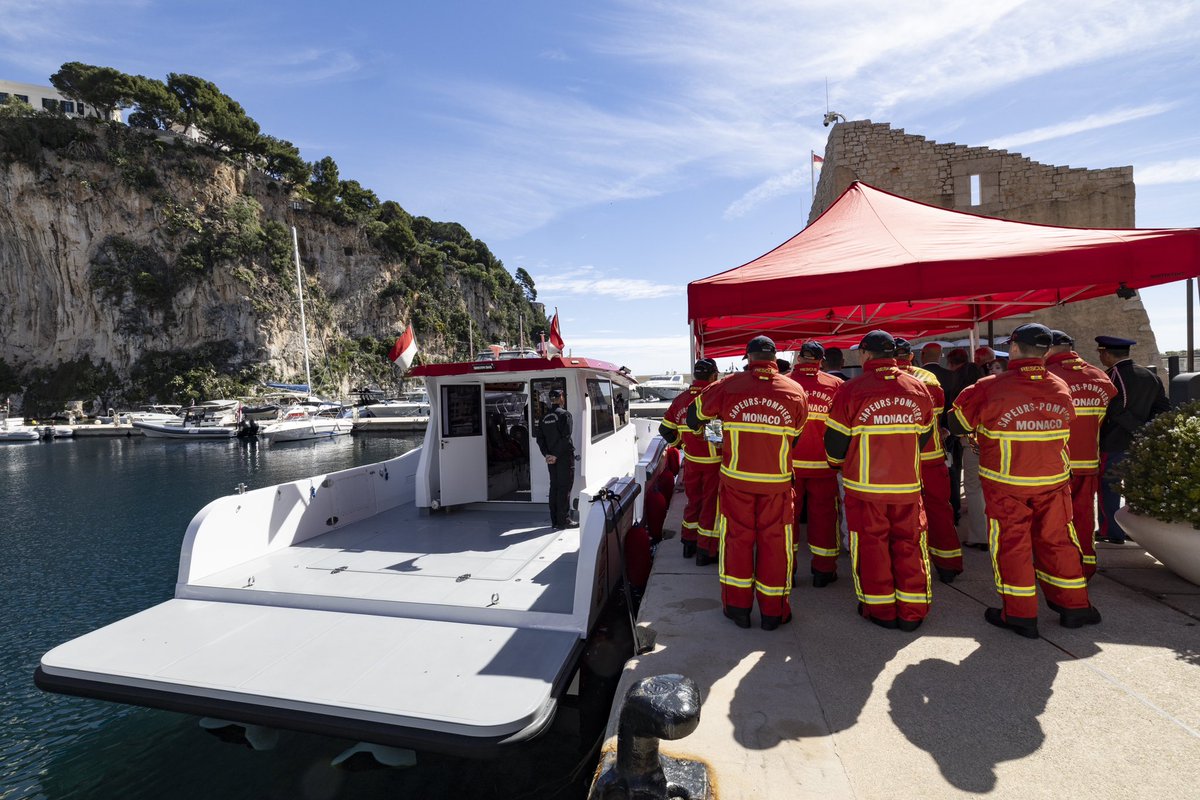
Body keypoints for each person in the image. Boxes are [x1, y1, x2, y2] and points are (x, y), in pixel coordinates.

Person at [950, 323, 1099, 639]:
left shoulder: (990, 386)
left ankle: (1020, 614)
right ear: (1046, 352)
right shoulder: (1060, 386)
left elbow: (956, 422)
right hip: (1054, 479)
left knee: (1012, 545)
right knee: (1058, 541)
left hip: (1007, 482)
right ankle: (1074, 607)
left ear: (1014, 348)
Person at [688, 335, 809, 630]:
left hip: (736, 482)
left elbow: (694, 418)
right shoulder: (795, 390)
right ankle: (773, 613)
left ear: (748, 358)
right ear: (773, 358)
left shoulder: (728, 386)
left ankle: (738, 610)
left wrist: (720, 424)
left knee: (737, 544)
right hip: (777, 484)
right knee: (775, 547)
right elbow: (796, 437)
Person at [824, 330, 936, 631]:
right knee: (909, 545)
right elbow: (925, 435)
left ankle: (881, 610)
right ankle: (913, 611)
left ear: (865, 355)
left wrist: (839, 465)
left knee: (872, 547)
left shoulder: (852, 389)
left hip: (865, 487)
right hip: (907, 485)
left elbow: (835, 443)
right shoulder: (917, 386)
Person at [1046, 331, 1116, 576]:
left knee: (1054, 521)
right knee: (1085, 516)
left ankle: (1061, 568)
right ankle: (1086, 563)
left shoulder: (1049, 377)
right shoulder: (1099, 376)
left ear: (1049, 349)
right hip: (1089, 461)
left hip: (1056, 464)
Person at [895, 337, 962, 582]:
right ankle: (948, 564)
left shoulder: (889, 381)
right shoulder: (928, 378)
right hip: (931, 455)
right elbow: (937, 412)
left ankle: (911, 567)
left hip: (901, 459)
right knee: (940, 510)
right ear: (910, 356)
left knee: (905, 516)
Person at [1096, 335, 1170, 544]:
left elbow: (1116, 410)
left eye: (1101, 353)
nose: (1101, 357)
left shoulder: (1112, 376)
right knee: (1134, 489)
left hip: (1114, 442)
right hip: (1140, 443)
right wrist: (1146, 431)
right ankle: (1131, 530)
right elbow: (1163, 407)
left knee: (1108, 487)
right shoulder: (1149, 375)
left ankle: (1111, 531)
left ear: (1107, 354)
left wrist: (1137, 429)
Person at [788, 341, 845, 587]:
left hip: (788, 466)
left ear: (799, 359)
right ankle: (823, 571)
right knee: (824, 517)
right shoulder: (837, 386)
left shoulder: (783, 383)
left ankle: (786, 568)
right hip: (824, 465)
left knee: (787, 518)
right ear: (821, 360)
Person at [659, 358, 723, 563]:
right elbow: (716, 437)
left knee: (694, 501)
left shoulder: (680, 399)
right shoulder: (713, 397)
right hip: (714, 462)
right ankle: (706, 550)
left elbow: (665, 429)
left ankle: (688, 543)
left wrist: (681, 444)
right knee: (711, 506)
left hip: (692, 461)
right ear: (714, 375)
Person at [943, 347, 982, 524]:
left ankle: (978, 534)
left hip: (966, 438)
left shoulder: (958, 385)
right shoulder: (983, 382)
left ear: (951, 363)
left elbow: (955, 418)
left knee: (971, 486)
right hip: (988, 440)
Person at [534, 388, 577, 530]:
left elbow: (540, 439)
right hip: (563, 458)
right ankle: (563, 521)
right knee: (564, 488)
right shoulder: (565, 415)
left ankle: (555, 521)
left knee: (554, 487)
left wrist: (547, 454)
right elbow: (566, 438)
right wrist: (556, 455)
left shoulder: (544, 417)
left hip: (551, 459)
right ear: (561, 398)